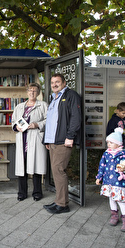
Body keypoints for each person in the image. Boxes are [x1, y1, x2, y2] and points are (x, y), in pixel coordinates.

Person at [43, 73, 81, 214]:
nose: (54, 84)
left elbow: (76, 118)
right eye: (52, 82)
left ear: (64, 83)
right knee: (56, 171)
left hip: (63, 140)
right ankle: (59, 200)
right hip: (53, 141)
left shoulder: (71, 95)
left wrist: (70, 136)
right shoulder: (53, 98)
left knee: (59, 170)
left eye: (57, 82)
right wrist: (46, 140)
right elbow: (51, 121)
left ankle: (63, 204)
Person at [11, 83, 48, 202]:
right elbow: (13, 121)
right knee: (22, 166)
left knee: (36, 165)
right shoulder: (19, 106)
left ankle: (37, 192)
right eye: (30, 90)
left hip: (35, 138)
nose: (32, 93)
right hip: (23, 138)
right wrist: (17, 127)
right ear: (26, 92)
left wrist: (37, 124)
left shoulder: (42, 105)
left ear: (38, 93)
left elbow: (49, 120)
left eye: (35, 91)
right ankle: (22, 192)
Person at [96, 128, 125, 232]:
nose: (109, 144)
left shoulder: (123, 155)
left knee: (120, 201)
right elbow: (102, 166)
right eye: (108, 142)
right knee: (111, 198)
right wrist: (99, 177)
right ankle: (114, 216)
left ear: (118, 144)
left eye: (111, 142)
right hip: (108, 182)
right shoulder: (106, 154)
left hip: (119, 183)